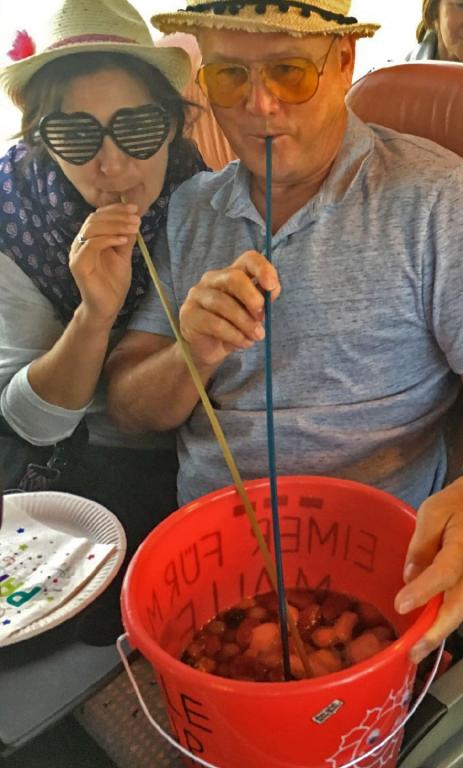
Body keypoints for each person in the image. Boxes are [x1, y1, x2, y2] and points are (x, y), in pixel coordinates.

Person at [105, 0, 463, 662]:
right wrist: (192, 352)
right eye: (229, 76)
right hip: (210, 568)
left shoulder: (438, 199)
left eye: (288, 71)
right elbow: (129, 406)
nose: (258, 105)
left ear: (343, 62)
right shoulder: (192, 208)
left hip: (372, 575)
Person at [0, 0, 206, 639]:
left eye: (137, 129)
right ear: (43, 140)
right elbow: (30, 424)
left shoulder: (204, 200)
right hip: (58, 458)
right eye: (75, 137)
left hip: (165, 447)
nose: (111, 166)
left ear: (173, 125)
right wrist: (94, 314)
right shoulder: (14, 216)